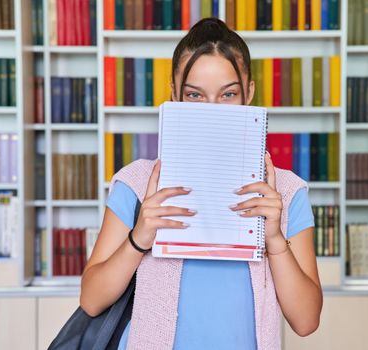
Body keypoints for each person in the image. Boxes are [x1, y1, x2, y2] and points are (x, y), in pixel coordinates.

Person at [80, 17, 323, 349]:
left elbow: (307, 321)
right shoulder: (135, 183)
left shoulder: (286, 192)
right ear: (174, 94)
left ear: (249, 93)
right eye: (195, 95)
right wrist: (139, 238)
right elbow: (91, 301)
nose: (213, 112)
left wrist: (275, 239)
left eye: (228, 94)